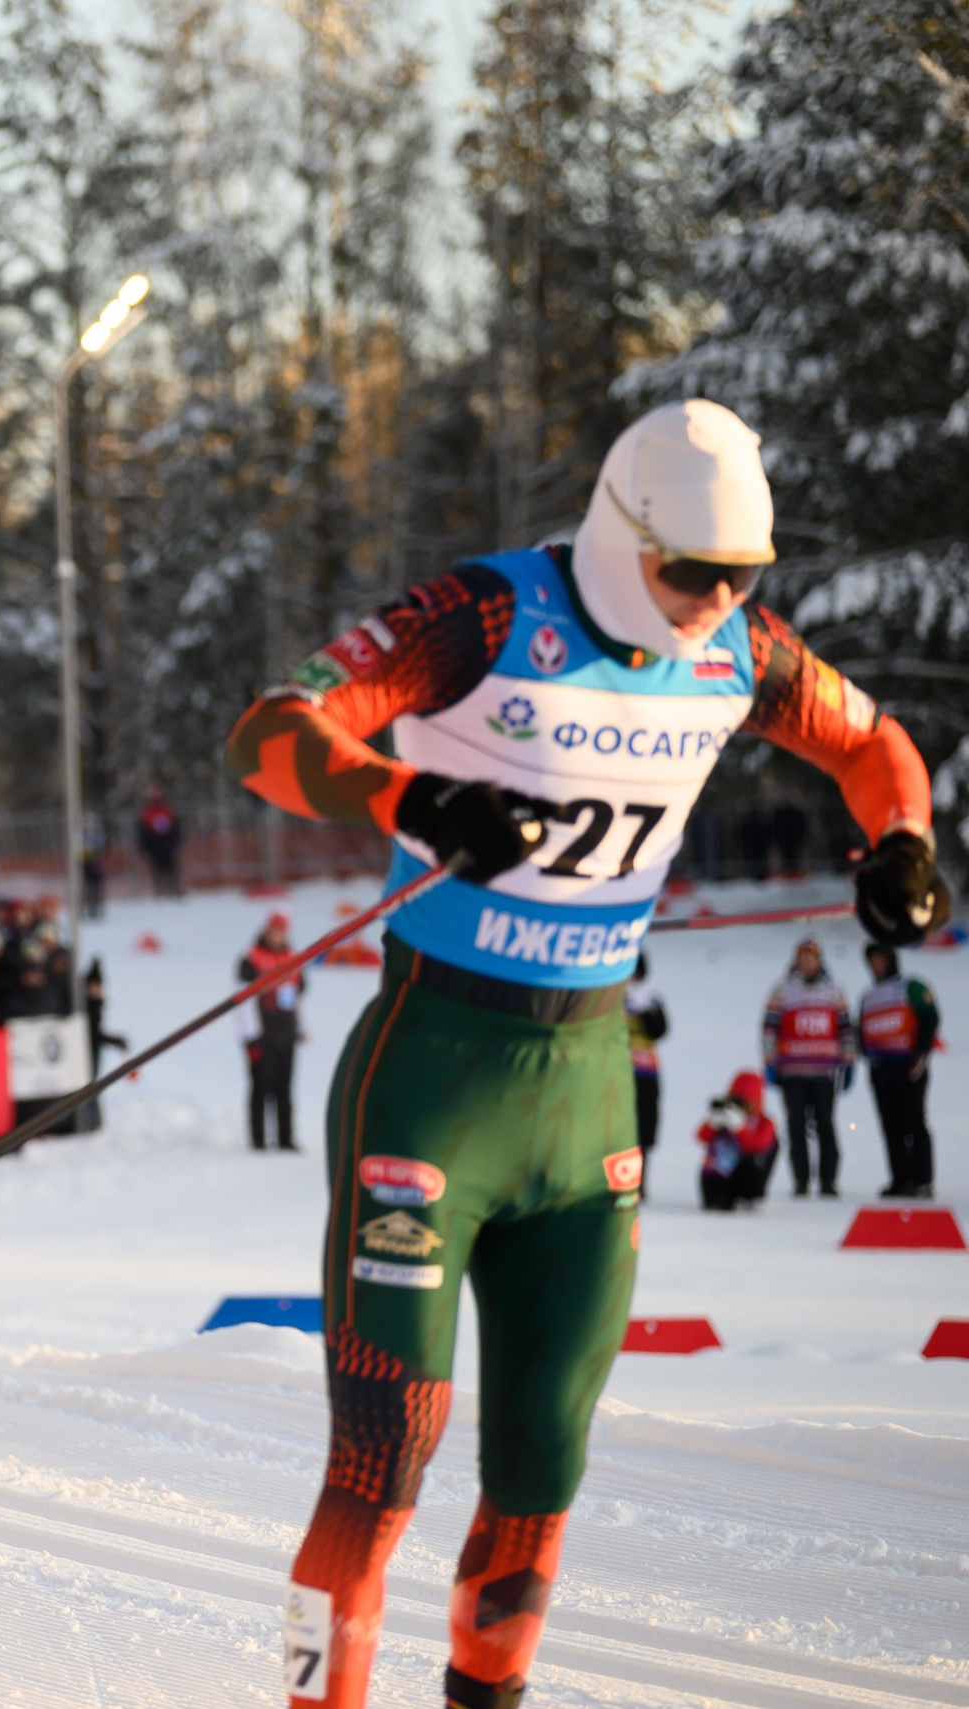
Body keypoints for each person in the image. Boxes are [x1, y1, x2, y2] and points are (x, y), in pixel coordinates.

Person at [223, 399, 951, 1709]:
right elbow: (272, 730)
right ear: (624, 534)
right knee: (382, 1463)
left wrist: (901, 839)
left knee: (541, 1467)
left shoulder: (737, 647)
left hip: (589, 1093)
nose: (714, 599)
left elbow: (867, 741)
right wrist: (409, 794)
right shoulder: (489, 615)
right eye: (692, 570)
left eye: (742, 575)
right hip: (431, 1080)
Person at [763, 936, 856, 1197]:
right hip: (792, 1072)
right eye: (802, 958)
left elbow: (846, 1030)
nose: (806, 963)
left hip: (824, 1072)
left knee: (825, 1124)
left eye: (811, 958)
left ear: (819, 961)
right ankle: (801, 1180)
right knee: (796, 1126)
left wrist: (848, 1062)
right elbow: (769, 1030)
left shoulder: (834, 991)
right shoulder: (782, 991)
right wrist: (770, 1062)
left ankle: (828, 1181)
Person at [858, 942, 940, 1198]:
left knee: (914, 1122)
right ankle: (900, 1179)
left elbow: (930, 1018)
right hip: (882, 1069)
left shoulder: (911, 986)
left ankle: (922, 1180)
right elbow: (861, 1032)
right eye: (872, 961)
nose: (877, 965)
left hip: (909, 1066)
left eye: (881, 959)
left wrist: (921, 1055)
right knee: (891, 1126)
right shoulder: (868, 996)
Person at [236, 912, 304, 1152]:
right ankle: (258, 1139)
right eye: (274, 931)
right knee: (260, 1087)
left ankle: (286, 1138)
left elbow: (298, 996)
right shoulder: (250, 959)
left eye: (281, 931)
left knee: (284, 1088)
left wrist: (300, 1028)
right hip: (259, 1035)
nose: (277, 936)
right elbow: (242, 1000)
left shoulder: (292, 958)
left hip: (286, 1032)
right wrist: (251, 1034)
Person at [696, 1072, 780, 1210]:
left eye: (745, 1103)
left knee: (752, 1161)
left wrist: (740, 1129)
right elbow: (701, 1137)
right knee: (716, 1203)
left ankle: (751, 1199)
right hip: (720, 1174)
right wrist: (712, 1124)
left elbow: (758, 1146)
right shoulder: (725, 1117)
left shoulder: (765, 1122)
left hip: (748, 1175)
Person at [625, 952, 669, 1198]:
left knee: (644, 1130)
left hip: (646, 1073)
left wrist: (645, 1010)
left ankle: (640, 1183)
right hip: (619, 1073)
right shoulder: (610, 1000)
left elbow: (660, 1031)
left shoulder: (651, 1000)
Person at [137, 785, 184, 897]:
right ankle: (160, 895)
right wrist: (145, 848)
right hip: (154, 846)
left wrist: (175, 844)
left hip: (168, 846)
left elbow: (176, 828)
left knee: (172, 872)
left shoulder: (168, 809)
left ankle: (175, 893)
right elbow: (142, 832)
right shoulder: (146, 812)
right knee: (157, 873)